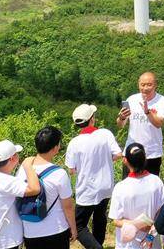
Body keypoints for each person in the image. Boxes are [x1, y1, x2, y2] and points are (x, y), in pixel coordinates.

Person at [66, 104, 123, 249]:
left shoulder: (74, 143)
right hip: (106, 185)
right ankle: (99, 244)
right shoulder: (105, 133)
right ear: (92, 119)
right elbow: (117, 154)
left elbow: (71, 170)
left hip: (87, 188)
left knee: (78, 225)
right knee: (100, 217)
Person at [22, 126, 76, 249]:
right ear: (55, 148)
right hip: (56, 230)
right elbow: (67, 206)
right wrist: (73, 227)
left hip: (30, 231)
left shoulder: (24, 168)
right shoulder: (59, 173)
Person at [0, 141, 42, 249]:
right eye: (17, 154)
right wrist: (27, 165)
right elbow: (35, 189)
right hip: (6, 241)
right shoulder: (6, 181)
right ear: (12, 158)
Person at [110, 143, 164, 249]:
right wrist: (148, 236)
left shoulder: (120, 187)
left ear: (125, 160)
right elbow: (161, 214)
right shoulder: (156, 182)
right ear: (145, 159)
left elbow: (116, 221)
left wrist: (136, 224)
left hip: (128, 245)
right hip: (151, 243)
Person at [119, 72, 164, 176]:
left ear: (155, 85)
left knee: (150, 188)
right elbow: (120, 125)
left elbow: (159, 123)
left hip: (152, 153)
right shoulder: (131, 99)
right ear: (138, 84)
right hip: (131, 151)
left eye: (149, 84)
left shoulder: (162, 101)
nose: (145, 88)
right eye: (142, 85)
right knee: (129, 186)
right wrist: (122, 117)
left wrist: (147, 112)